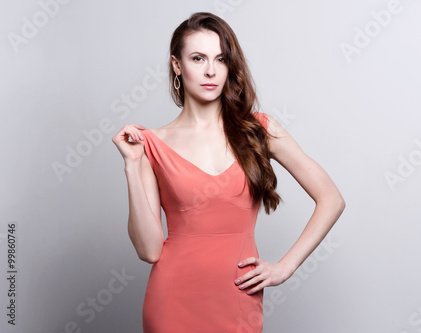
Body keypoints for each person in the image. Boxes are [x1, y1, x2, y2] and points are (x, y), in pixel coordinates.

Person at [112, 11, 345, 333]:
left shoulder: (259, 130)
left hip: (237, 299)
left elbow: (331, 199)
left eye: (220, 59)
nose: (210, 71)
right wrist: (131, 164)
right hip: (172, 302)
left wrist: (285, 268)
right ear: (177, 65)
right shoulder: (150, 144)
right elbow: (149, 250)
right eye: (197, 58)